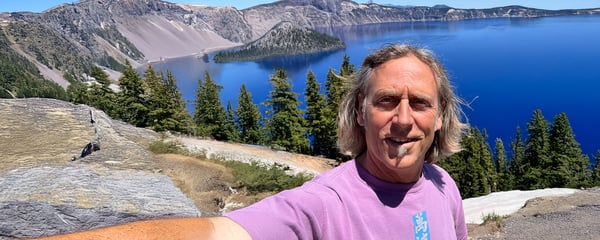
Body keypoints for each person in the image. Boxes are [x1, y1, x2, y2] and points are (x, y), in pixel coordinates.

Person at [36, 44, 468, 240]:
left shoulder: (442, 185)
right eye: (387, 101)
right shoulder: (323, 204)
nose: (403, 119)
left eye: (421, 104)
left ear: (440, 117)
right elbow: (218, 232)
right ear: (360, 112)